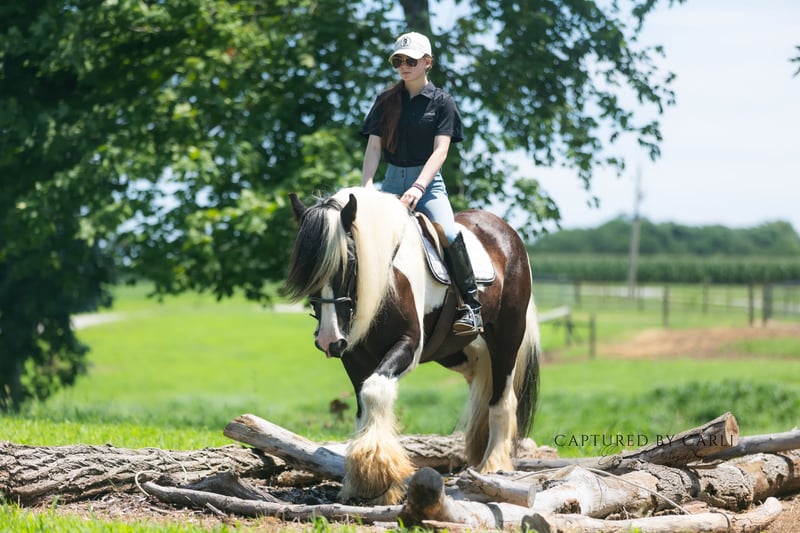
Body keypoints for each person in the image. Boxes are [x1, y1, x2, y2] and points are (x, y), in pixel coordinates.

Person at [360, 31, 482, 335]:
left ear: (427, 62)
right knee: (364, 236)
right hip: (391, 181)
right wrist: (367, 185)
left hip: (428, 184)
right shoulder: (385, 100)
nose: (404, 66)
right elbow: (374, 148)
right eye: (398, 61)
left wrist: (418, 186)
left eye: (410, 61)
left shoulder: (443, 103)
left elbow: (441, 151)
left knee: (450, 233)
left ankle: (471, 306)